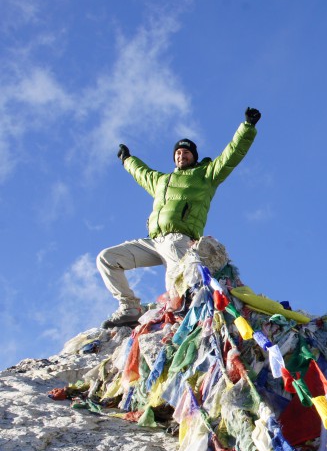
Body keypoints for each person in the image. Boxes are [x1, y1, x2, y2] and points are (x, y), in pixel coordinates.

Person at [96, 107, 261, 328]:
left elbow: (232, 155)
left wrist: (247, 127)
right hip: (154, 241)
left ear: (194, 157)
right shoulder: (161, 181)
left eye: (186, 153)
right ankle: (129, 308)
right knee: (107, 258)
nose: (181, 155)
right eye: (178, 153)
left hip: (179, 240)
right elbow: (141, 172)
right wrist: (127, 160)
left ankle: (188, 323)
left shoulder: (205, 176)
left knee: (176, 288)